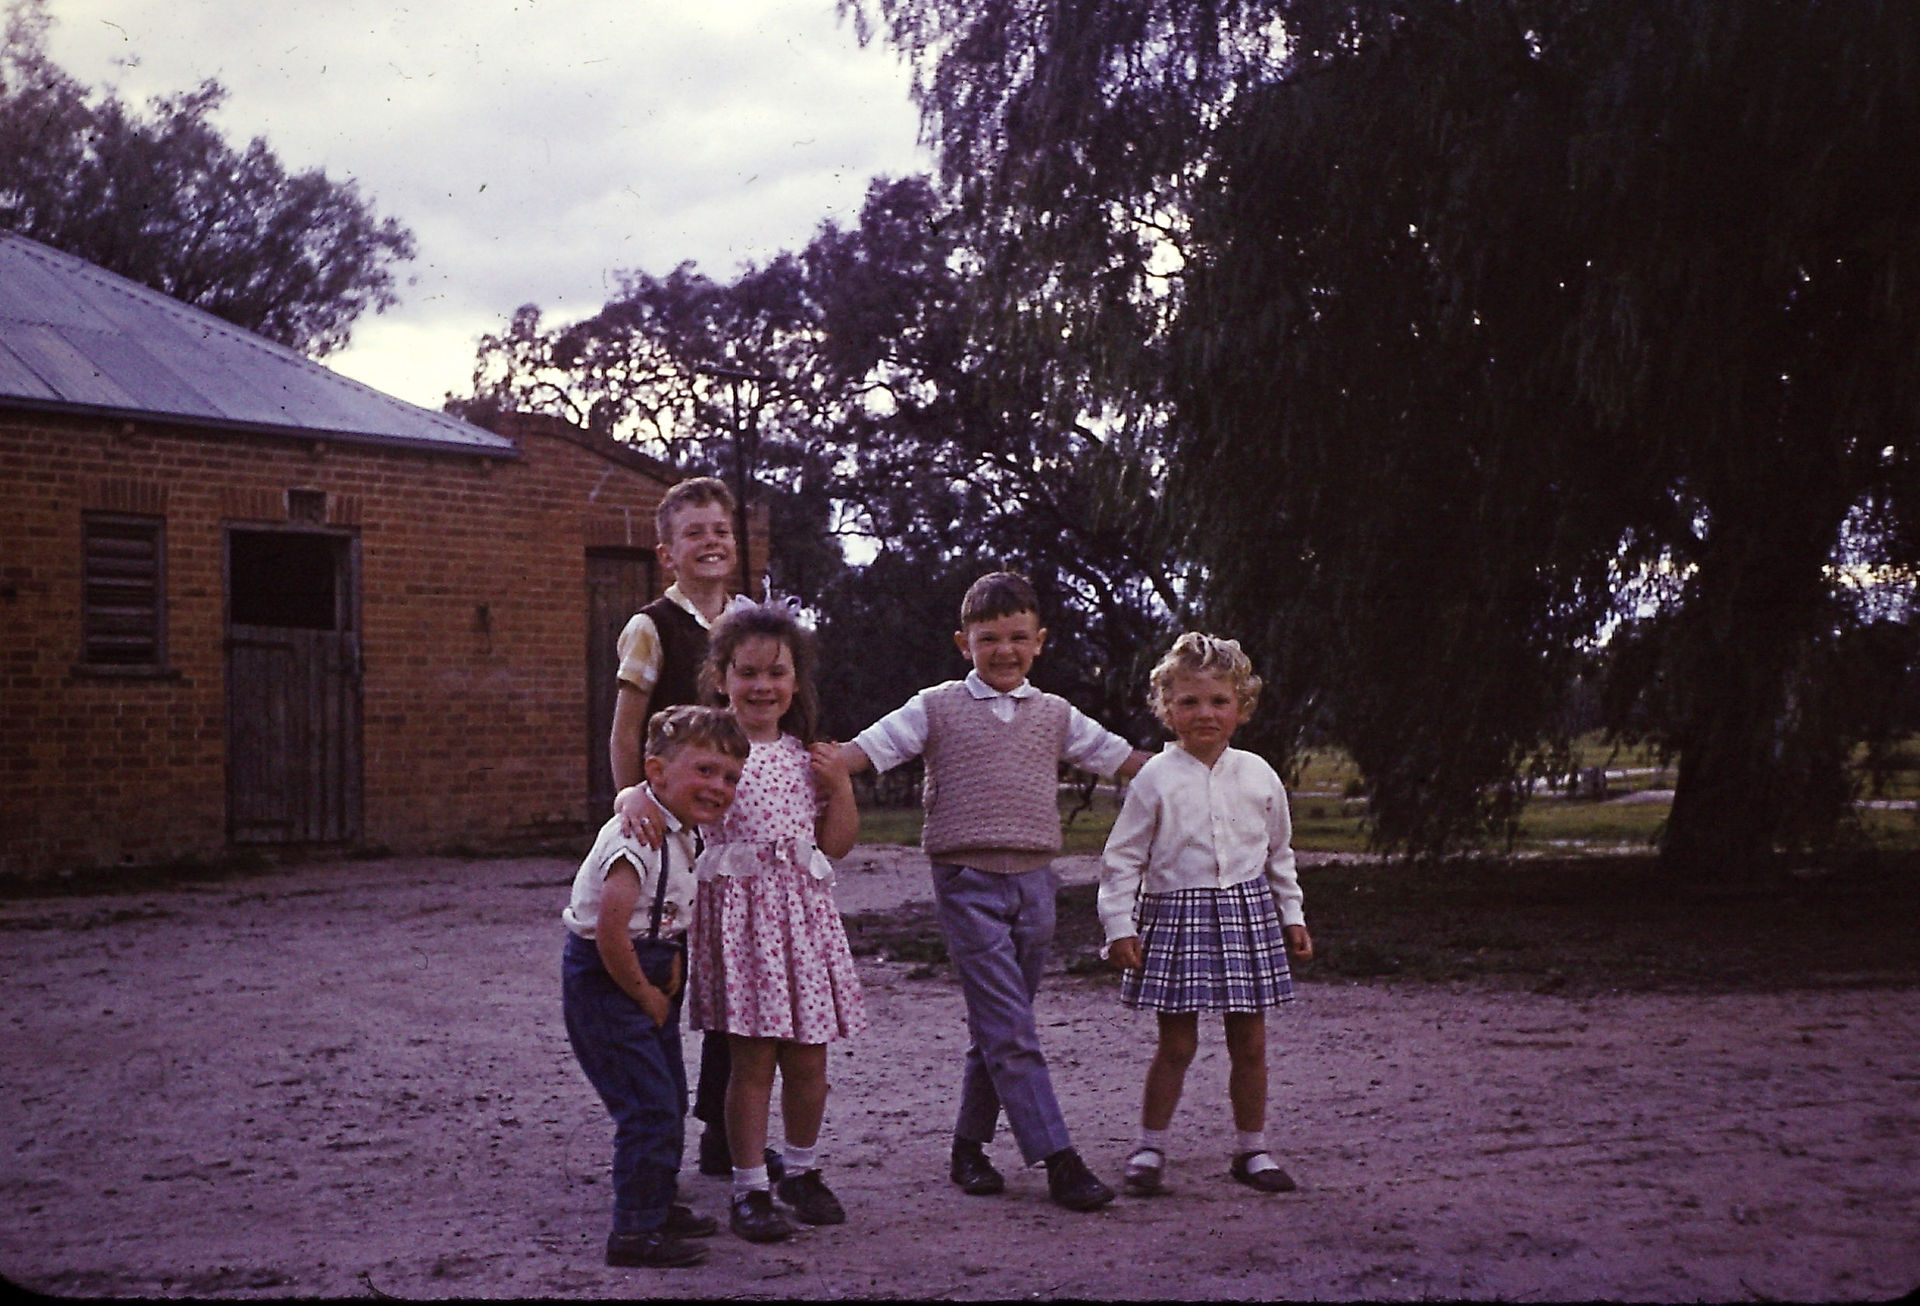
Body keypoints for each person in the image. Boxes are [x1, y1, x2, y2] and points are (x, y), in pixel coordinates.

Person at [842, 571, 1152, 1212]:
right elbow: (865, 751)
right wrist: (784, 757)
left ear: (1039, 641)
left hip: (1038, 883)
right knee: (1011, 1027)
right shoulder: (936, 706)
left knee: (1001, 1024)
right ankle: (1059, 1159)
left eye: (1017, 637)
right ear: (964, 643)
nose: (1004, 650)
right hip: (966, 882)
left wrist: (1206, 765)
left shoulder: (1056, 714)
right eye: (989, 639)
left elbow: (1122, 758)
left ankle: (968, 1147)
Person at [1096, 633, 1314, 1198]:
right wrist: (1119, 927)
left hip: (1247, 916)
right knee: (1177, 1044)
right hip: (1175, 917)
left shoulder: (1259, 774)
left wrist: (1292, 914)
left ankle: (1252, 1149)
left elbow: (1279, 853)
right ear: (1167, 709)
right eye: (1189, 702)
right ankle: (1149, 1147)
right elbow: (1121, 859)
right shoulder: (1154, 779)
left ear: (1242, 706)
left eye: (1219, 701)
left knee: (1250, 1042)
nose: (1205, 714)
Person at [606, 475, 773, 1181]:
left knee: (738, 973)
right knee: (671, 968)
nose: (711, 542)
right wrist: (631, 795)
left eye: (720, 531)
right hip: (676, 820)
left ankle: (720, 1127)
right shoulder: (652, 626)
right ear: (667, 552)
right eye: (695, 533)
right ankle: (656, 1135)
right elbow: (625, 728)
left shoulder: (752, 620)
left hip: (742, 823)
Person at [686, 599, 867, 1243]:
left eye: (777, 673)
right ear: (721, 677)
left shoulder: (807, 757)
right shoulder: (708, 750)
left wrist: (841, 785)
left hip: (803, 920)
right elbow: (665, 798)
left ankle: (802, 1169)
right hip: (741, 922)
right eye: (747, 672)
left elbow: (837, 843)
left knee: (810, 1060)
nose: (762, 686)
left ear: (795, 682)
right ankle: (748, 1186)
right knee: (752, 1062)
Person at [562, 705, 749, 1269]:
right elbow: (609, 932)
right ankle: (634, 1233)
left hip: (650, 971)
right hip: (611, 979)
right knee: (647, 1108)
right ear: (657, 772)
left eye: (730, 777)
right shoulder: (636, 836)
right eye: (706, 771)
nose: (719, 787)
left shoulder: (677, 828)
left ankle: (657, 1202)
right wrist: (644, 993)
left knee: (669, 1098)